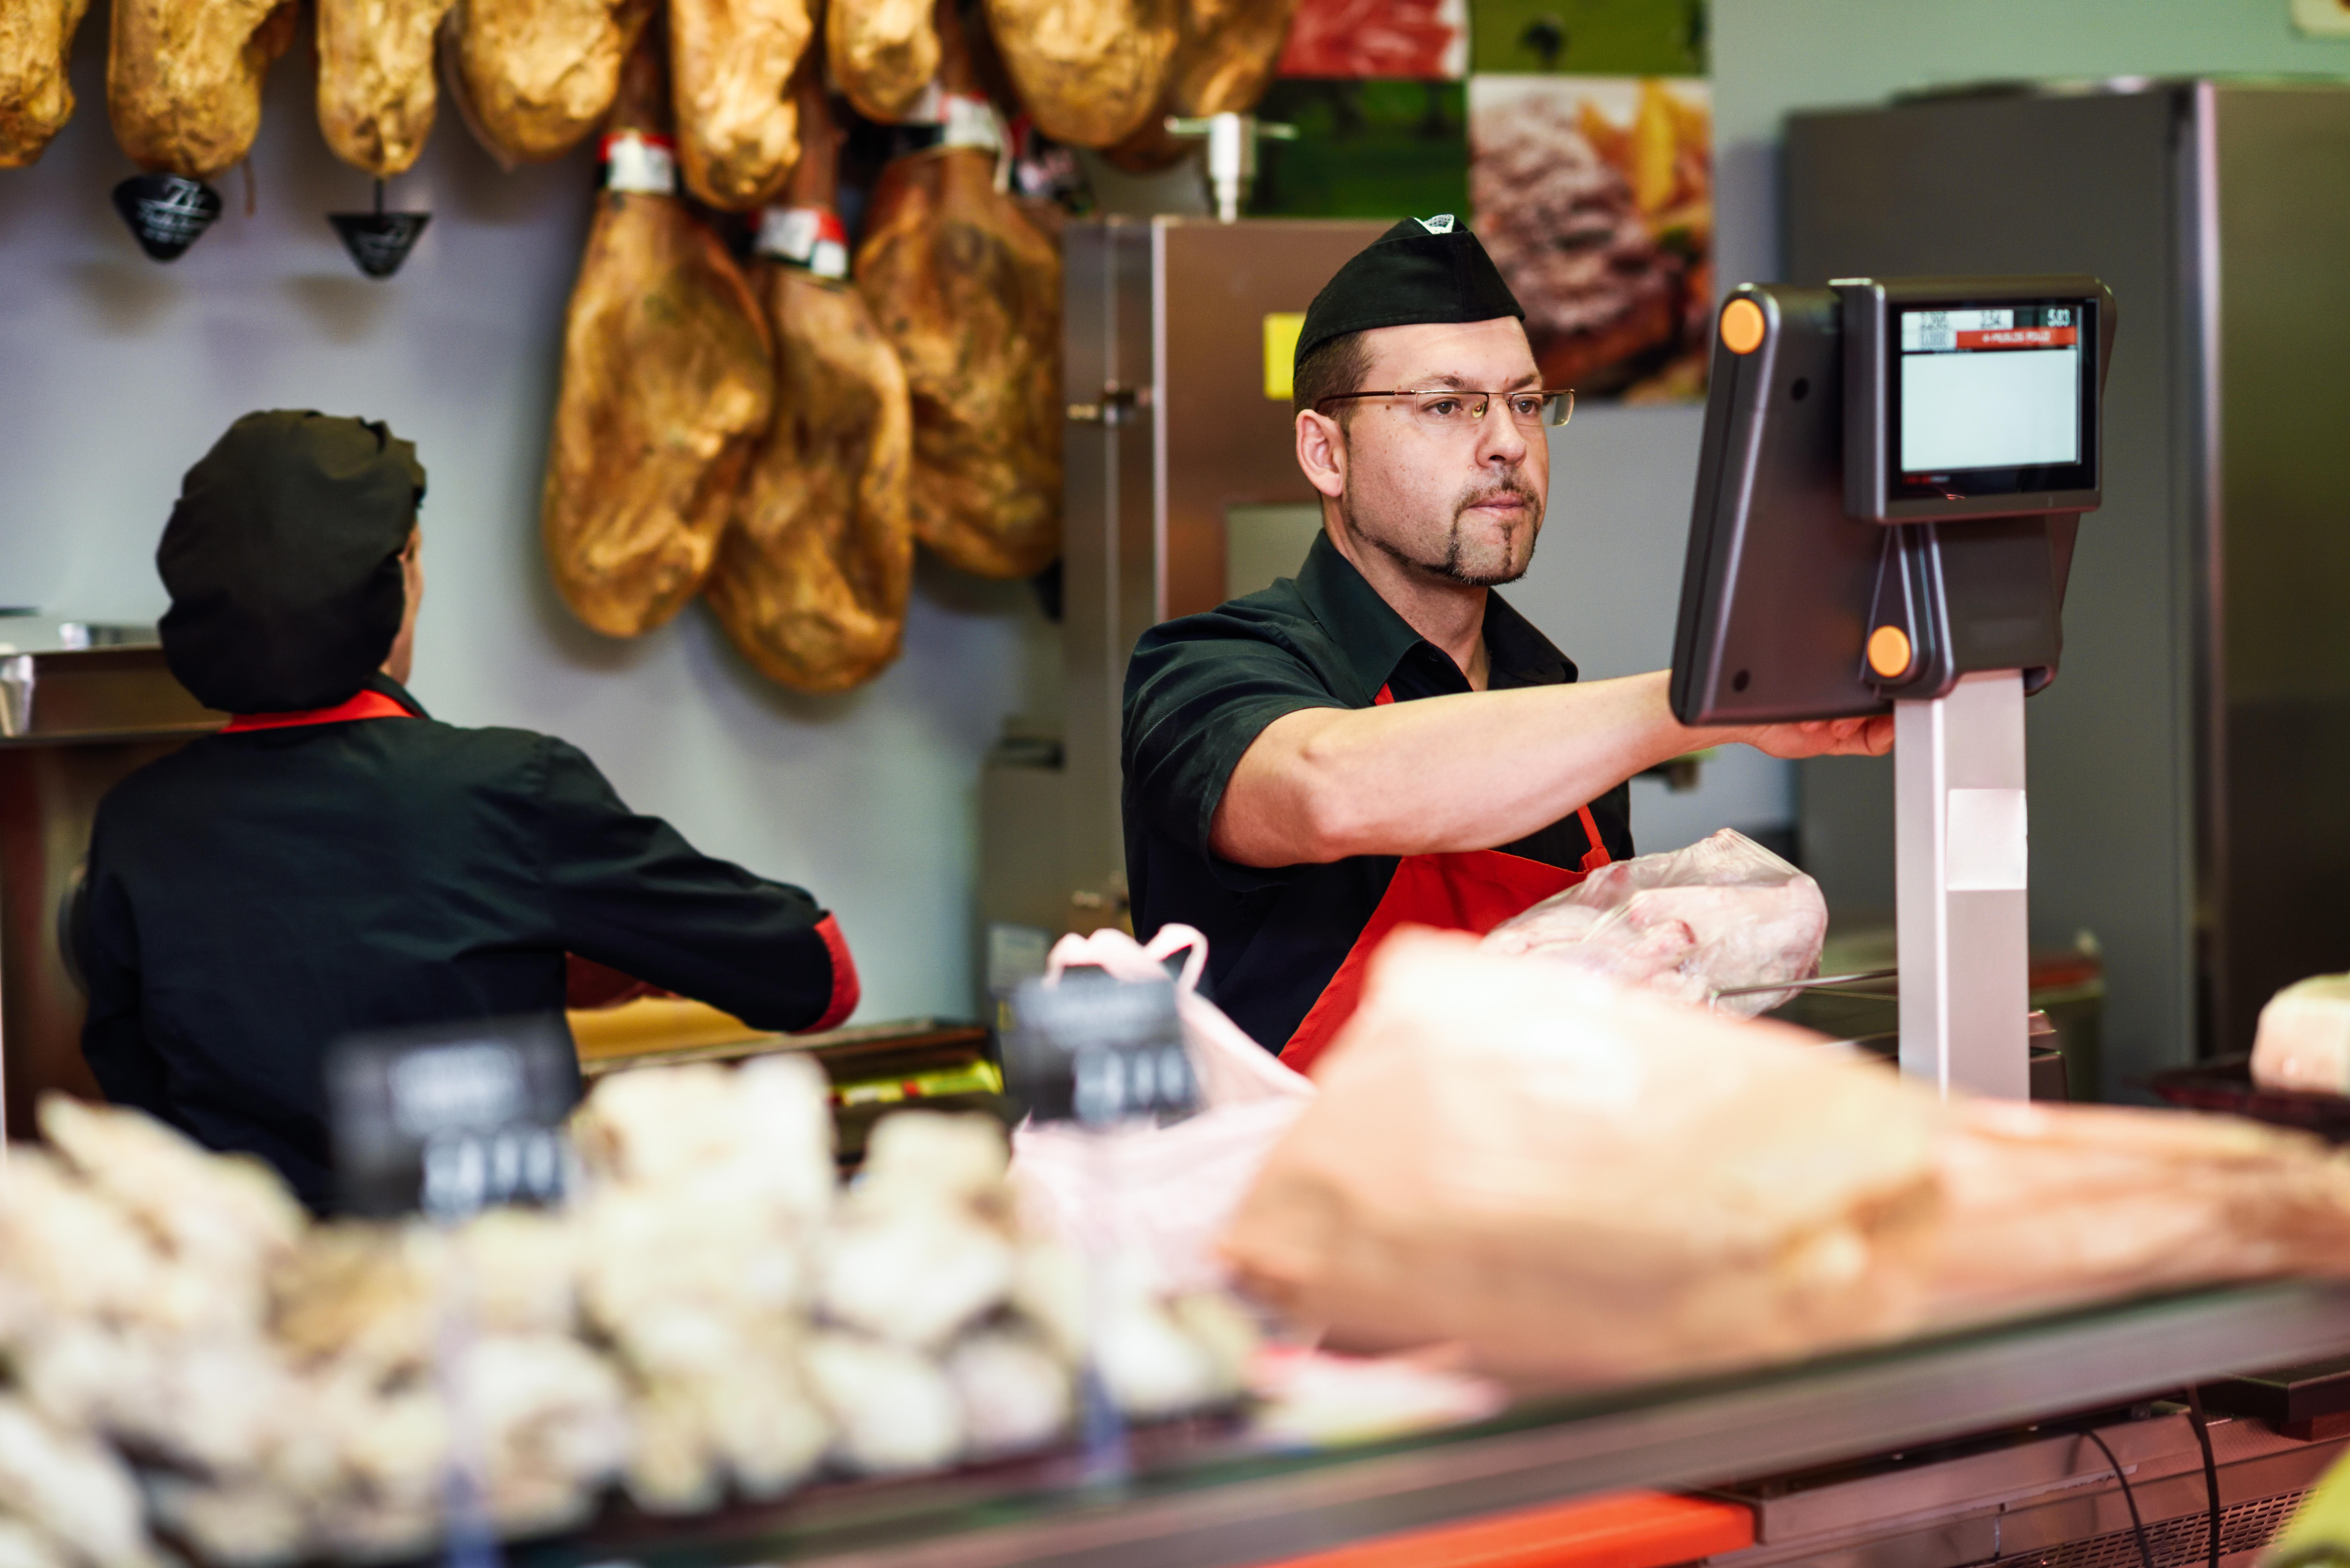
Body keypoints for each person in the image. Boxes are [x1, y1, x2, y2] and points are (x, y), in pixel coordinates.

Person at [1122, 216, 1892, 1071]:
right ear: (1324, 452)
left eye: (1525, 403)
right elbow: (1326, 789)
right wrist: (1706, 701)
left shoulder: (1548, 698)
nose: (1508, 444)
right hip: (1295, 1198)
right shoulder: (1202, 669)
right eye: (1447, 406)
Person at [77, 411, 858, 1207]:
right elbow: (815, 975)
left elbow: (139, 1108)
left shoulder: (139, 823)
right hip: (484, 1299)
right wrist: (604, 949)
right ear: (400, 573)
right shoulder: (509, 788)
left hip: (254, 1297)